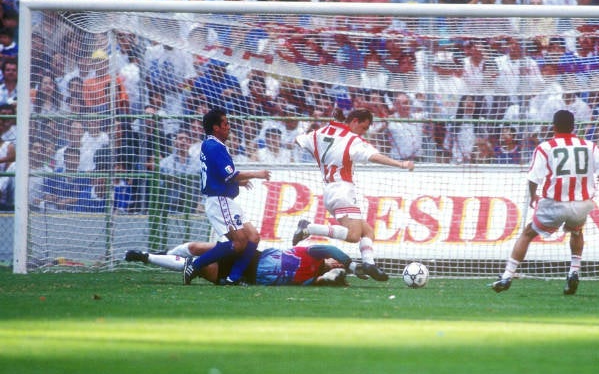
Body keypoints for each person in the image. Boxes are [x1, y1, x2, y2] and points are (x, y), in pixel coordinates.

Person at [491, 110, 599, 295]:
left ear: (553, 127)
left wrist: (533, 195)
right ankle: (574, 271)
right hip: (581, 204)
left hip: (554, 203)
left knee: (527, 233)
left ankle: (507, 275)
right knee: (577, 231)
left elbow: (533, 178)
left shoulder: (546, 147)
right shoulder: (588, 146)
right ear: (574, 127)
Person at [293, 108, 414, 281]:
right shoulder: (352, 140)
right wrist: (401, 164)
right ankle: (308, 228)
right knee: (353, 235)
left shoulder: (319, 133)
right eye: (364, 127)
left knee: (368, 232)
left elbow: (298, 140)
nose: (364, 132)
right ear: (355, 121)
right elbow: (375, 157)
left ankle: (369, 263)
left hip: (329, 190)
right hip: (343, 190)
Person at [183, 108, 272, 286]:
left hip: (225, 199)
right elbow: (229, 175)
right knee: (239, 243)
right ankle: (196, 264)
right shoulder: (214, 146)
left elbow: (218, 176)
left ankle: (233, 278)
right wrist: (257, 174)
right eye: (225, 123)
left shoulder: (211, 144)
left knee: (253, 237)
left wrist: (238, 184)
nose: (229, 127)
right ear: (216, 128)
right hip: (219, 200)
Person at [126, 242, 360, 286]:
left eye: (337, 266)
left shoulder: (312, 277)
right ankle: (162, 254)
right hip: (252, 255)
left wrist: (334, 276)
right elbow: (330, 249)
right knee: (198, 249)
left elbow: (321, 281)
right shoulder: (314, 253)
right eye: (336, 262)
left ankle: (146, 257)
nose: (335, 263)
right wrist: (350, 264)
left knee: (198, 264)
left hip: (245, 275)